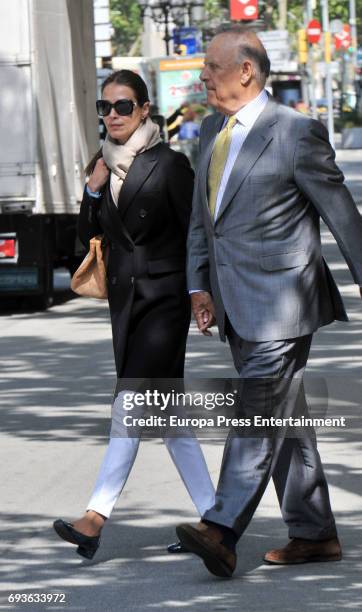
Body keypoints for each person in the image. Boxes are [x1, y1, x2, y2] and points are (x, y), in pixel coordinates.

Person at [176, 26, 362, 578]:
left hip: (284, 301)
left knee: (257, 405)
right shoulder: (211, 129)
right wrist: (198, 284)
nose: (202, 75)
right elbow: (201, 221)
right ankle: (314, 533)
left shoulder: (296, 132)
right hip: (233, 303)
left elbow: (342, 213)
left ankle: (222, 527)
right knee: (283, 415)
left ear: (246, 71)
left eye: (210, 66)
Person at [53, 70, 215, 559]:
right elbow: (85, 239)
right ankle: (217, 520)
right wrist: (95, 190)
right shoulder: (102, 165)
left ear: (145, 109)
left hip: (164, 302)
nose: (113, 116)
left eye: (124, 106)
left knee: (128, 404)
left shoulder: (170, 165)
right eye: (106, 108)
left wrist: (199, 291)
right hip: (127, 304)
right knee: (172, 419)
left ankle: (95, 517)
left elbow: (196, 234)